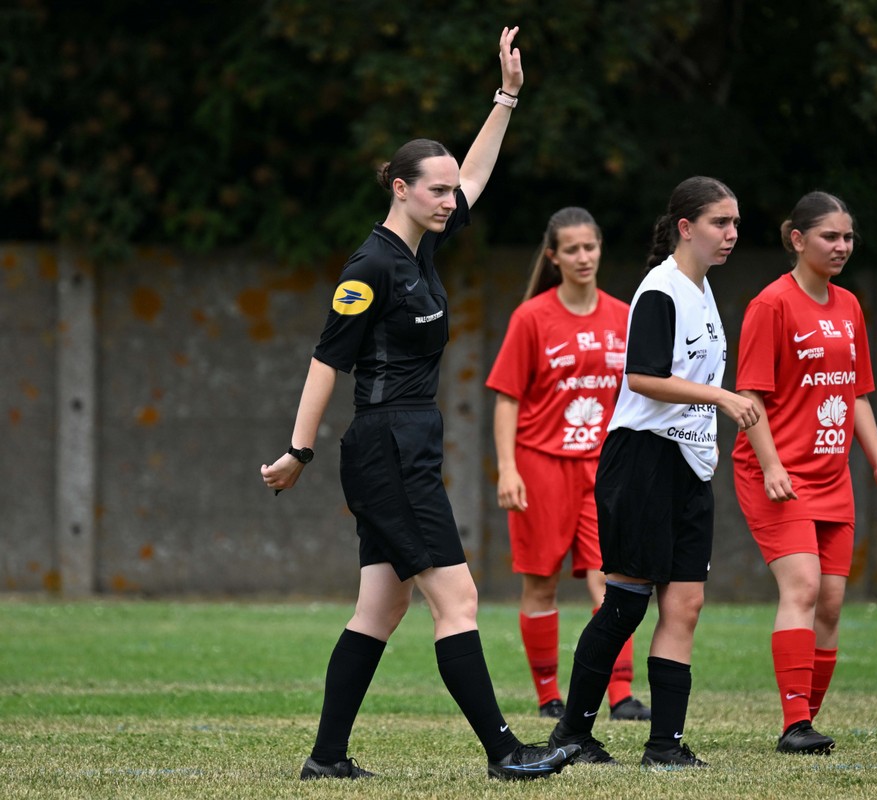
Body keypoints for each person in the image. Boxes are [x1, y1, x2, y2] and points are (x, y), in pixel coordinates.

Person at [259, 27, 580, 782]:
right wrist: (300, 450)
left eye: (448, 190)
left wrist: (506, 98)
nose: (449, 199)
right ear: (399, 189)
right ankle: (506, 753)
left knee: (381, 608)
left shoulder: (420, 247)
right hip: (387, 449)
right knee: (457, 597)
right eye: (435, 190)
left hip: (406, 444)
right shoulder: (370, 267)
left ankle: (326, 759)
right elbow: (326, 361)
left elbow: (476, 176)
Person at [546, 177, 759, 768]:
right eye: (720, 222)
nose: (732, 233)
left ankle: (664, 746)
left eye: (736, 223)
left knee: (685, 604)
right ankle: (571, 735)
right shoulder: (661, 289)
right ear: (686, 227)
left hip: (689, 464)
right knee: (625, 604)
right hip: (642, 460)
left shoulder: (703, 289)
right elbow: (641, 376)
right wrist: (721, 397)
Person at [732, 191, 877, 755]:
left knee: (829, 603)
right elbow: (750, 396)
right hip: (777, 474)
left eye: (848, 237)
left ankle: (806, 722)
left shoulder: (849, 306)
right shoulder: (771, 305)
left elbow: (856, 394)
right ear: (798, 239)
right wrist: (771, 464)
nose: (842, 246)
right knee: (802, 587)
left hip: (832, 475)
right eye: (830, 236)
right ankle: (794, 725)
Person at [485, 207, 652, 722]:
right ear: (553, 257)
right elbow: (507, 398)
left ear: (601, 248)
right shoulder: (532, 317)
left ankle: (620, 694)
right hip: (541, 466)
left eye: (590, 247)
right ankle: (548, 696)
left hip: (605, 469)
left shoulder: (624, 315)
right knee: (542, 582)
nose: (583, 257)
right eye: (572, 249)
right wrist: (508, 468)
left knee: (616, 579)